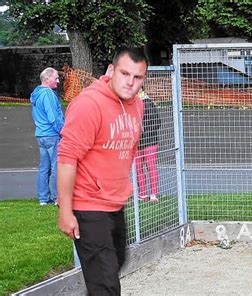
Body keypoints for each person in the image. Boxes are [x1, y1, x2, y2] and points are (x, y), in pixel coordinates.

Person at [57, 48, 148, 295]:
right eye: (125, 73)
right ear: (111, 71)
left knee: (117, 261)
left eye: (138, 77)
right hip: (87, 205)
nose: (130, 82)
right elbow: (66, 159)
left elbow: (128, 149)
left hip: (114, 202)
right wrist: (65, 211)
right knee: (106, 284)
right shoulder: (89, 104)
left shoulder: (137, 105)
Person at [30, 67, 64, 206]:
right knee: (56, 166)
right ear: (47, 79)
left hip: (41, 135)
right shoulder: (48, 94)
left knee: (44, 167)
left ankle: (43, 198)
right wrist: (63, 131)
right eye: (56, 78)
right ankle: (57, 198)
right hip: (52, 135)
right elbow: (53, 117)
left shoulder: (36, 94)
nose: (58, 81)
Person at [136, 90, 161, 202]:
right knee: (140, 168)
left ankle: (152, 194)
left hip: (148, 141)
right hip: (139, 141)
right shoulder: (134, 103)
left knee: (148, 168)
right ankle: (144, 194)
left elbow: (156, 122)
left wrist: (143, 133)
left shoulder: (146, 104)